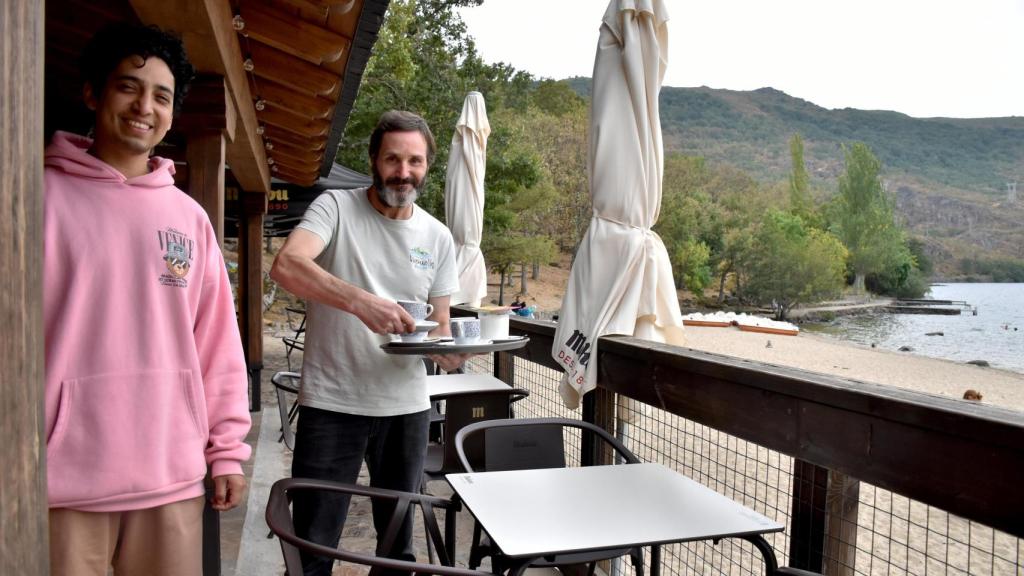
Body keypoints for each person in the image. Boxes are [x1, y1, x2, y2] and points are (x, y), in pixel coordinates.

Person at [44, 23, 252, 576]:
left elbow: (217, 346)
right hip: (61, 482)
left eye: (162, 96)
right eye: (128, 87)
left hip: (170, 476)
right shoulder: (35, 197)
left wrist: (226, 449)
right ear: (93, 93)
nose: (145, 106)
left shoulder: (189, 218)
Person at [270, 110, 468, 574]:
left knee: (398, 550)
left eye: (415, 161)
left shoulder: (438, 237)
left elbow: (438, 326)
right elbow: (288, 265)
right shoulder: (335, 207)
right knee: (312, 543)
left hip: (406, 407)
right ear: (374, 160)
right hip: (332, 402)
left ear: (427, 166)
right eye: (393, 159)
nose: (404, 172)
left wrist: (453, 353)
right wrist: (362, 303)